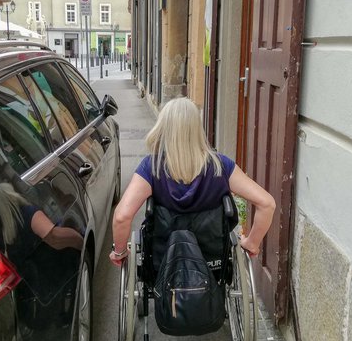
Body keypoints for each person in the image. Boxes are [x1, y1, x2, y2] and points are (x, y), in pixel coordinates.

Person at [109, 97, 276, 267]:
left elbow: (122, 217)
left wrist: (120, 252)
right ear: (197, 128)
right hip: (212, 263)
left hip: (163, 261)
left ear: (163, 128)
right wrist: (252, 243)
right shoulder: (221, 166)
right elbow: (267, 204)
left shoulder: (152, 167)